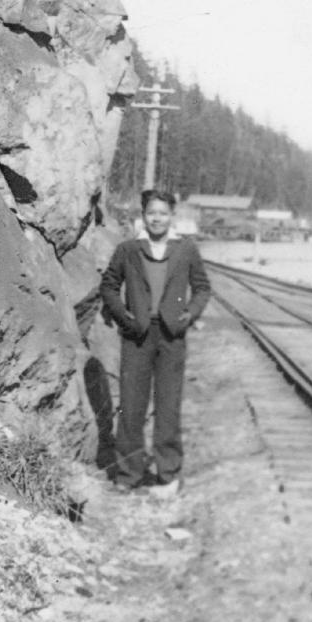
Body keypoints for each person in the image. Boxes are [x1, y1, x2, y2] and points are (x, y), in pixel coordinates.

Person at [100, 189, 211, 490]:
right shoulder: (128, 250)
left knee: (168, 406)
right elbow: (109, 285)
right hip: (137, 336)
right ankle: (129, 475)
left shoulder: (186, 249)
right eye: (151, 213)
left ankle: (168, 475)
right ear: (144, 216)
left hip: (172, 337)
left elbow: (202, 287)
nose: (157, 219)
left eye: (162, 213)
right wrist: (125, 317)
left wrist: (188, 316)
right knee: (131, 405)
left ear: (171, 216)